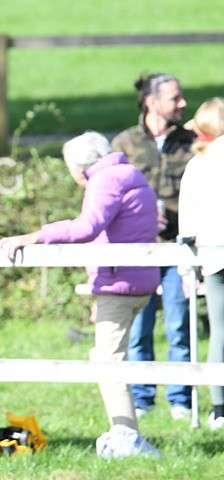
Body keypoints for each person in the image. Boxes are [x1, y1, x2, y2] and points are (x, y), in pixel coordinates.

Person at [0, 132, 160, 455]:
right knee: (106, 356)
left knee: (107, 360)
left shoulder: (105, 179)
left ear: (79, 164)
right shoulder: (130, 173)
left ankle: (127, 436)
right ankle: (125, 431)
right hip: (136, 279)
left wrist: (33, 236)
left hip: (120, 283)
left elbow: (87, 227)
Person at [112, 73, 196, 420]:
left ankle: (180, 399)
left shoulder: (193, 142)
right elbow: (108, 193)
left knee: (179, 326)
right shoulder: (124, 144)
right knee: (139, 328)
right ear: (152, 102)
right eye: (175, 98)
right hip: (138, 249)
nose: (182, 104)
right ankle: (142, 399)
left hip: (179, 247)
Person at [177, 97, 224, 430]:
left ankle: (219, 407)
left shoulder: (199, 163)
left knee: (220, 332)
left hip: (213, 255)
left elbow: (187, 221)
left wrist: (185, 268)